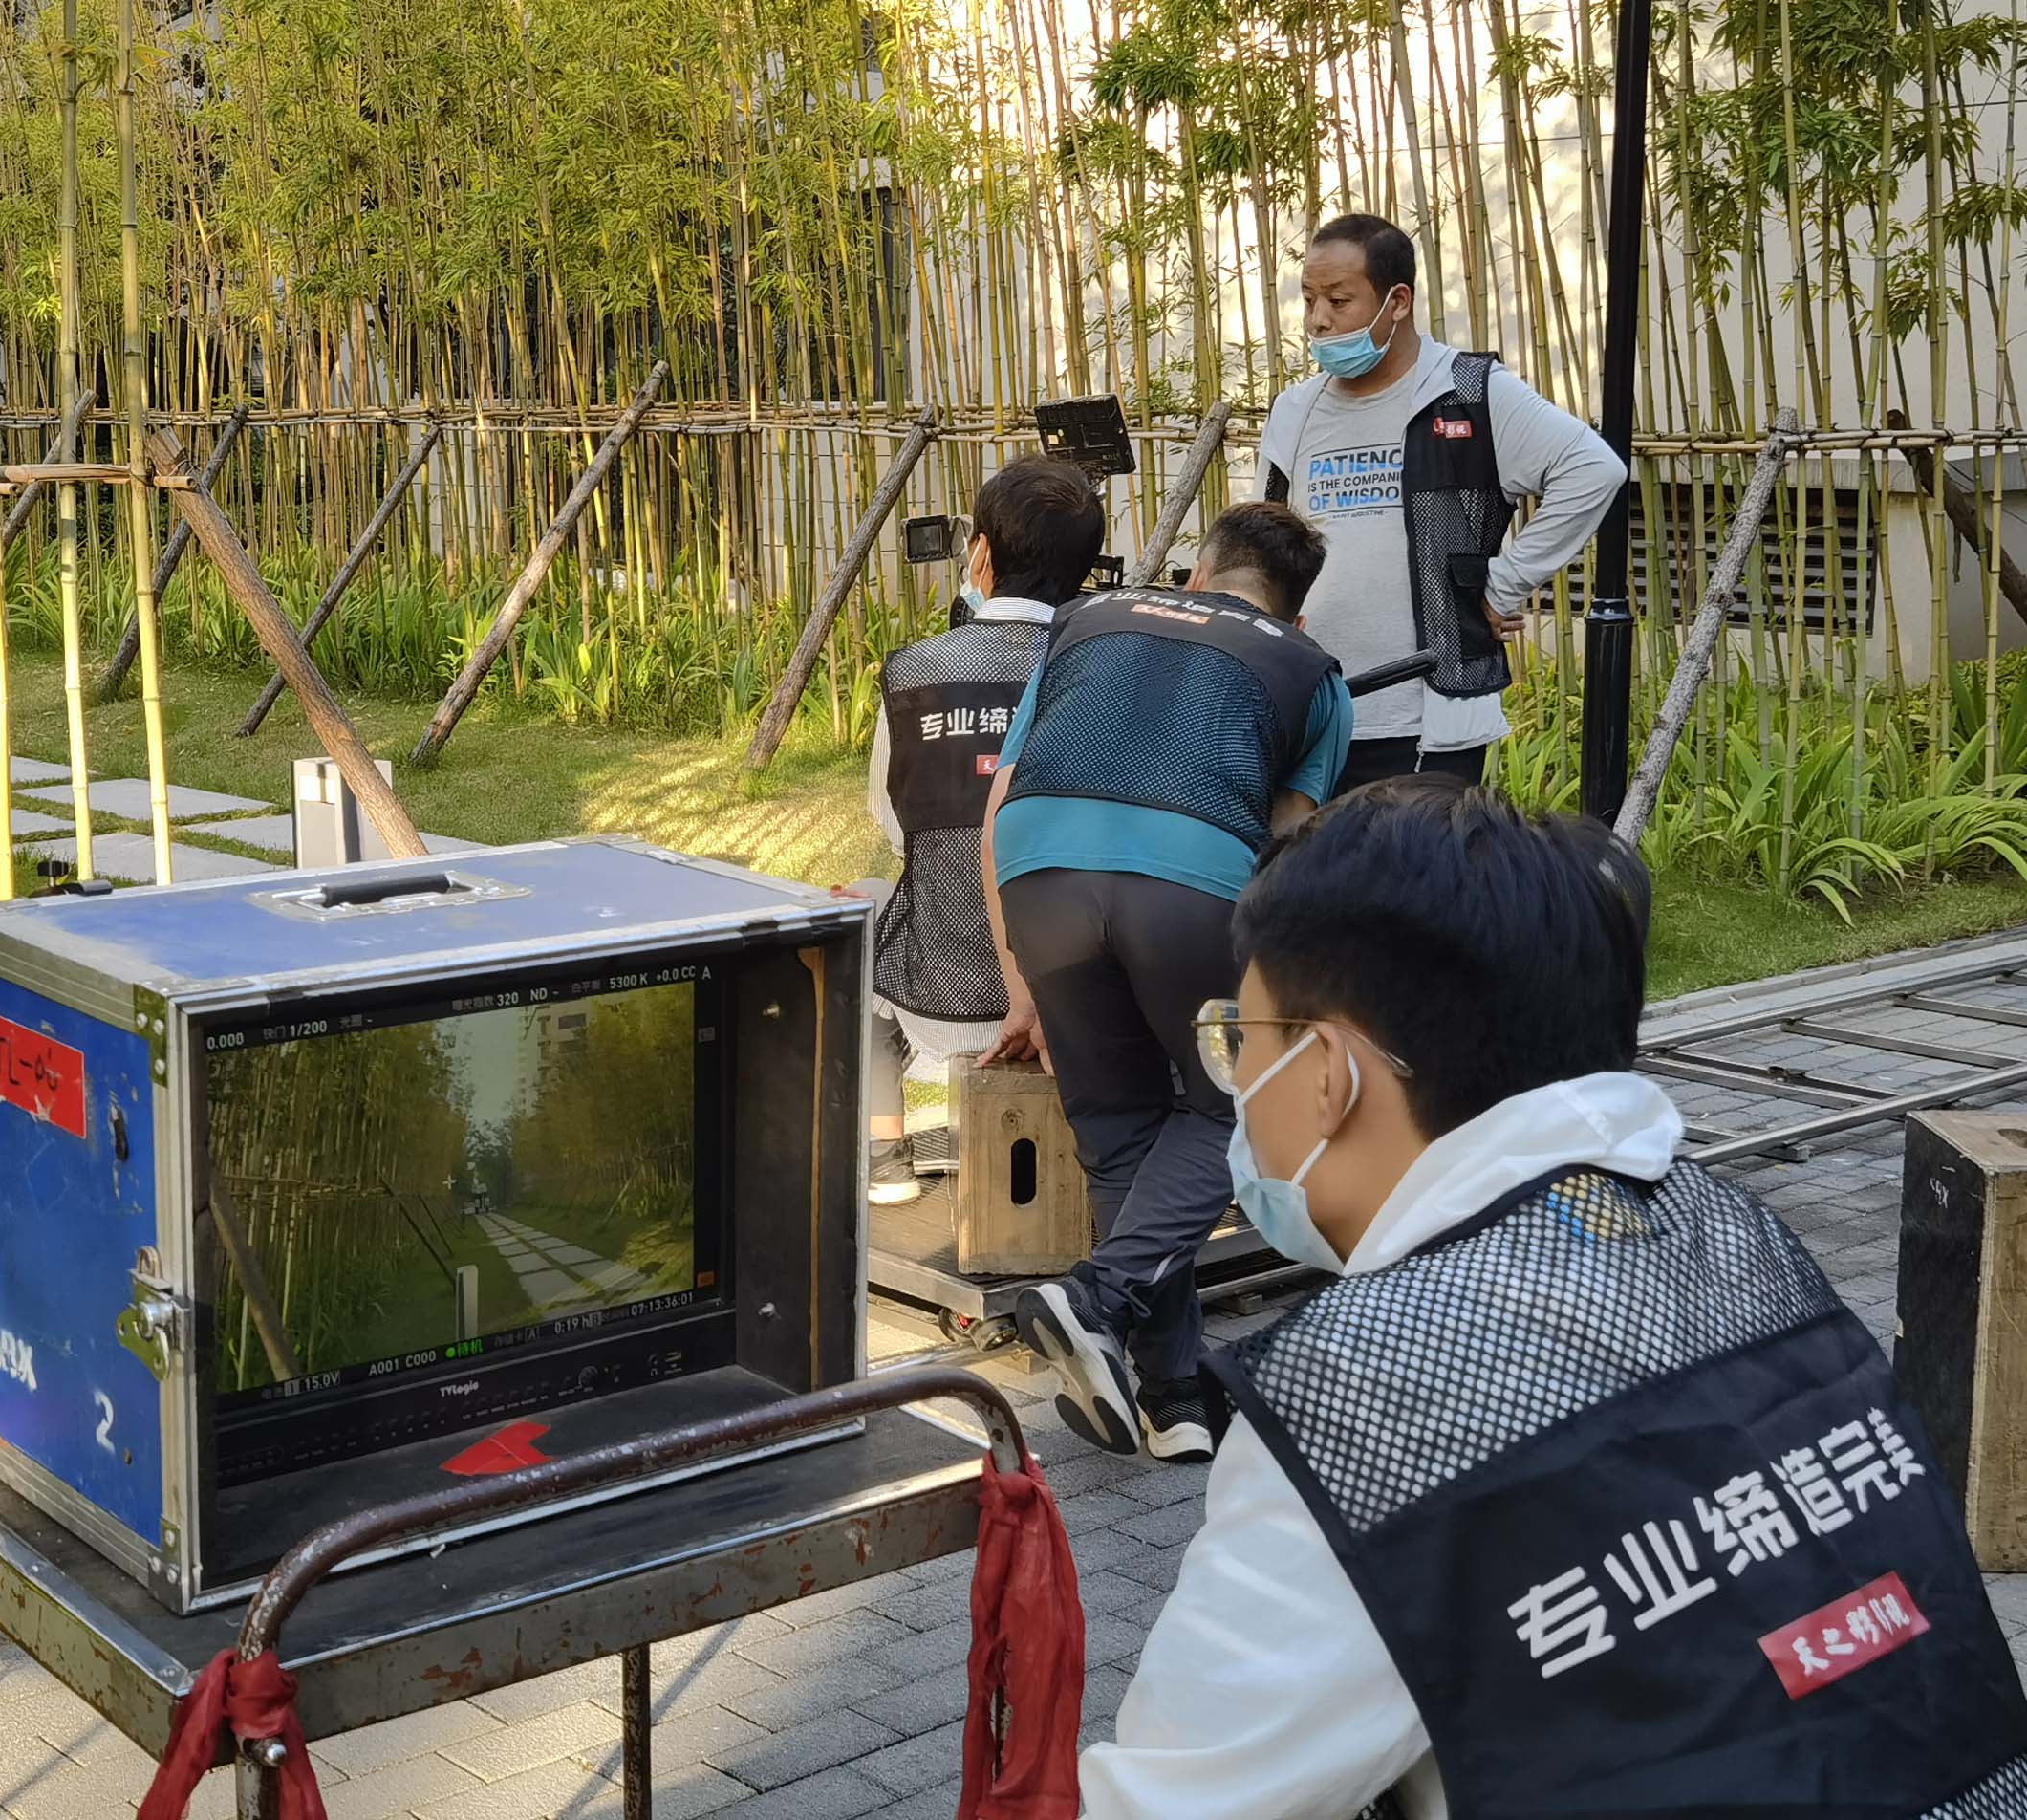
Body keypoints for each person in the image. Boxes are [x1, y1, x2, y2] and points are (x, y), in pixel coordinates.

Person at [1076, 777, 2027, 1818]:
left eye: (1244, 1039)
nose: (1236, 1079)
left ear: (1327, 1074)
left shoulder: (1368, 1396)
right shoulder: (1735, 1236)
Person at [984, 499, 1350, 1462]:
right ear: (1296, 610)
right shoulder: (1307, 668)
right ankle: (1097, 1297)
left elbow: (1003, 794)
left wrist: (1016, 975)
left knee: (1120, 1132)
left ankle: (1171, 1395)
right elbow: (1284, 845)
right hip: (1188, 887)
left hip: (1037, 870)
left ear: (1195, 574)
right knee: (1237, 1101)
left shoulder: (1085, 622)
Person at [1259, 212, 1627, 793]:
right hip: (1312, 710)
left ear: (1398, 301)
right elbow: (1265, 540)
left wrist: (1502, 584)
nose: (1318, 320)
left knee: (1415, 855)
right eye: (1308, 300)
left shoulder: (1469, 392)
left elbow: (1594, 469)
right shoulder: (1294, 410)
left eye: (1338, 300)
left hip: (1426, 717)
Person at [861, 458, 1099, 1204]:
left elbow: (898, 833)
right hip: (1078, 993)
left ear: (981, 555)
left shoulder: (912, 674)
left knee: (861, 909)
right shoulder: (1103, 670)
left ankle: (885, 1157)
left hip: (944, 993)